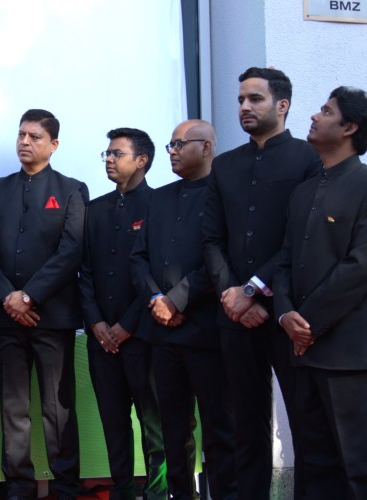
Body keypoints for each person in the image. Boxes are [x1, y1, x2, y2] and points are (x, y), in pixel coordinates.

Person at [200, 67, 320, 498]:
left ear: (282, 105)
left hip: (287, 310)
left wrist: (253, 289)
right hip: (233, 316)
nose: (244, 107)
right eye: (240, 100)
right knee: (243, 424)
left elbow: (300, 239)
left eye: (255, 99)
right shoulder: (226, 165)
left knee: (306, 424)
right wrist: (232, 294)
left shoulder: (309, 160)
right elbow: (211, 238)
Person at [275, 87, 367, 499]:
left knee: (361, 470)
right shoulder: (303, 192)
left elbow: (361, 267)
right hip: (303, 351)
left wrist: (306, 323)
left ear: (348, 127)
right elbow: (286, 261)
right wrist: (284, 314)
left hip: (350, 353)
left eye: (326, 111)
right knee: (315, 467)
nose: (314, 116)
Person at [0, 109, 87, 500]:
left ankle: (65, 487)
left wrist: (29, 296)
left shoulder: (72, 190)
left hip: (51, 316)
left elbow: (71, 250)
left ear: (53, 145)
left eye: (35, 137)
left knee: (57, 409)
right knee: (14, 406)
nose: (25, 142)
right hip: (5, 316)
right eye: (21, 135)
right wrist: (7, 297)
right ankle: (19, 486)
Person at [132, 120, 236, 500]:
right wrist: (158, 299)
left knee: (219, 428)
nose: (172, 151)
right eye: (170, 144)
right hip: (162, 334)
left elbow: (221, 261)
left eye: (179, 144)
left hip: (206, 331)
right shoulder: (158, 198)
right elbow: (138, 257)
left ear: (206, 147)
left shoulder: (224, 195)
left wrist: (176, 300)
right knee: (172, 428)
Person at [79, 127, 164, 500]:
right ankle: (123, 490)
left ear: (141, 160)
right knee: (113, 423)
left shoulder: (159, 207)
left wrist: (126, 325)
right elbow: (83, 272)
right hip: (101, 340)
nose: (109, 160)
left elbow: (158, 274)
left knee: (153, 423)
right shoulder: (94, 209)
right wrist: (97, 323)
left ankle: (160, 493)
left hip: (143, 336)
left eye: (117, 153)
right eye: (107, 154)